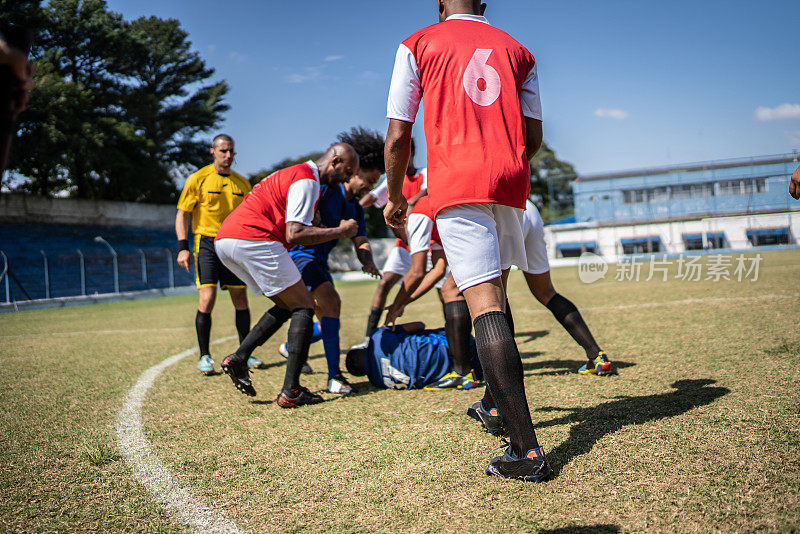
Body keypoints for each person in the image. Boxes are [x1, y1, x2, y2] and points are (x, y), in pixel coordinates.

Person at [383, 0, 551, 481]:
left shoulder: (418, 42)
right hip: (509, 182)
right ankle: (496, 407)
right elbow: (533, 136)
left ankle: (527, 451)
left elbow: (399, 135)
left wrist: (396, 196)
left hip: (458, 184)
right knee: (495, 295)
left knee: (483, 305)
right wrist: (507, 164)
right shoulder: (519, 49)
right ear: (485, 3)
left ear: (439, 4)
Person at [214, 143, 360, 407]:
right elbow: (294, 233)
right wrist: (341, 232)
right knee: (305, 305)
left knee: (286, 304)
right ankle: (291, 391)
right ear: (336, 161)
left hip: (227, 240)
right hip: (254, 238)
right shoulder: (308, 180)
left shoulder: (294, 173)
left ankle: (238, 358)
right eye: (348, 171)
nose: (349, 178)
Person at [279, 127, 383, 395]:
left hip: (320, 261)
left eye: (373, 185)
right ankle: (334, 376)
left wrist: (367, 261)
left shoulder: (356, 209)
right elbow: (300, 210)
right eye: (368, 180)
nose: (369, 188)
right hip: (301, 255)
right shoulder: (327, 188)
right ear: (355, 171)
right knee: (330, 302)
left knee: (323, 312)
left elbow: (361, 239)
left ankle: (293, 346)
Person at [176, 135, 265, 375]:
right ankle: (205, 356)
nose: (228, 156)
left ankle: (245, 354)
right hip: (206, 243)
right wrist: (183, 247)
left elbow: (251, 216)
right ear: (212, 151)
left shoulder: (243, 184)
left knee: (241, 299)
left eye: (231, 152)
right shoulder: (198, 179)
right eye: (223, 151)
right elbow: (182, 213)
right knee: (207, 298)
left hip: (233, 244)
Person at [520, 200, 613, 375]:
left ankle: (465, 373)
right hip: (527, 207)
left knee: (490, 297)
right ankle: (597, 356)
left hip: (495, 209)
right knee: (546, 292)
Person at [360, 140, 427, 336]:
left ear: (411, 153)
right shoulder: (393, 181)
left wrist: (407, 203)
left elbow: (426, 191)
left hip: (428, 246)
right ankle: (369, 338)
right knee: (383, 284)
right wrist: (352, 208)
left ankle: (456, 343)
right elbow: (372, 198)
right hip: (403, 247)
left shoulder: (425, 172)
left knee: (445, 292)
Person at [345, 322, 481, 390]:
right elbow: (419, 325)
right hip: (451, 348)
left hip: (444, 373)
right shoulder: (377, 336)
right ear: (361, 349)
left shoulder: (377, 382)